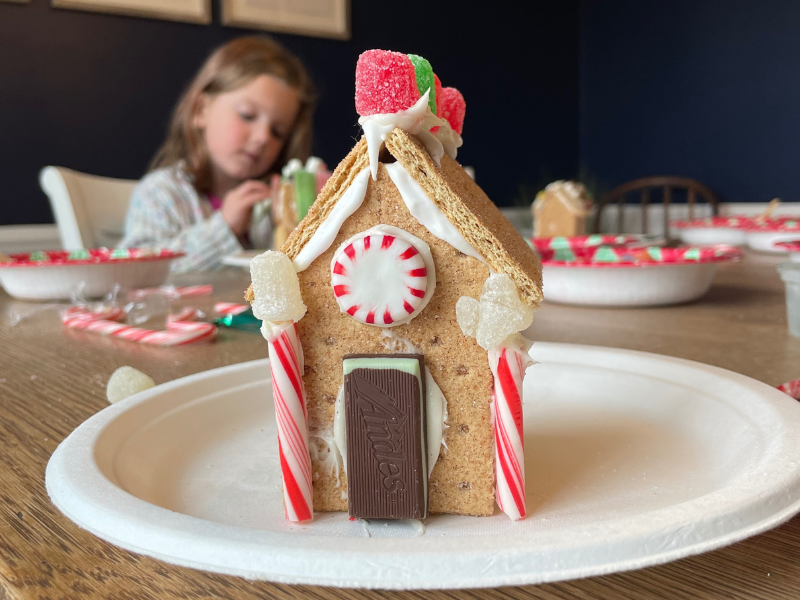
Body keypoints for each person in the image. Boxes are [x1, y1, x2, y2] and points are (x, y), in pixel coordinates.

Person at [120, 36, 315, 271]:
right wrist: (224, 227)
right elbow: (139, 270)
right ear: (201, 110)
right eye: (247, 115)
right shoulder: (160, 194)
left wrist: (307, 212)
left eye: (278, 132)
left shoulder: (270, 209)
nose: (263, 137)